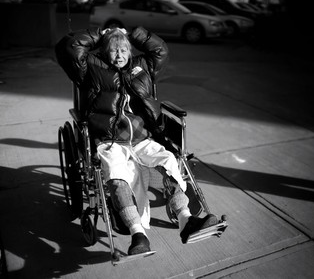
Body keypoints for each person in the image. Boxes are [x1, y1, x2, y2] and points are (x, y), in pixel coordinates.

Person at [55, 26, 218, 255]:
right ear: (104, 52)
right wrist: (102, 34)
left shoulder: (142, 67)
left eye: (124, 50)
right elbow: (69, 47)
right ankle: (137, 235)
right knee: (117, 173)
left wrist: (132, 34)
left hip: (142, 138)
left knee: (168, 159)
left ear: (130, 51)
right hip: (109, 140)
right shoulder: (91, 67)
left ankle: (186, 221)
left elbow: (160, 50)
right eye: (113, 50)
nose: (119, 55)